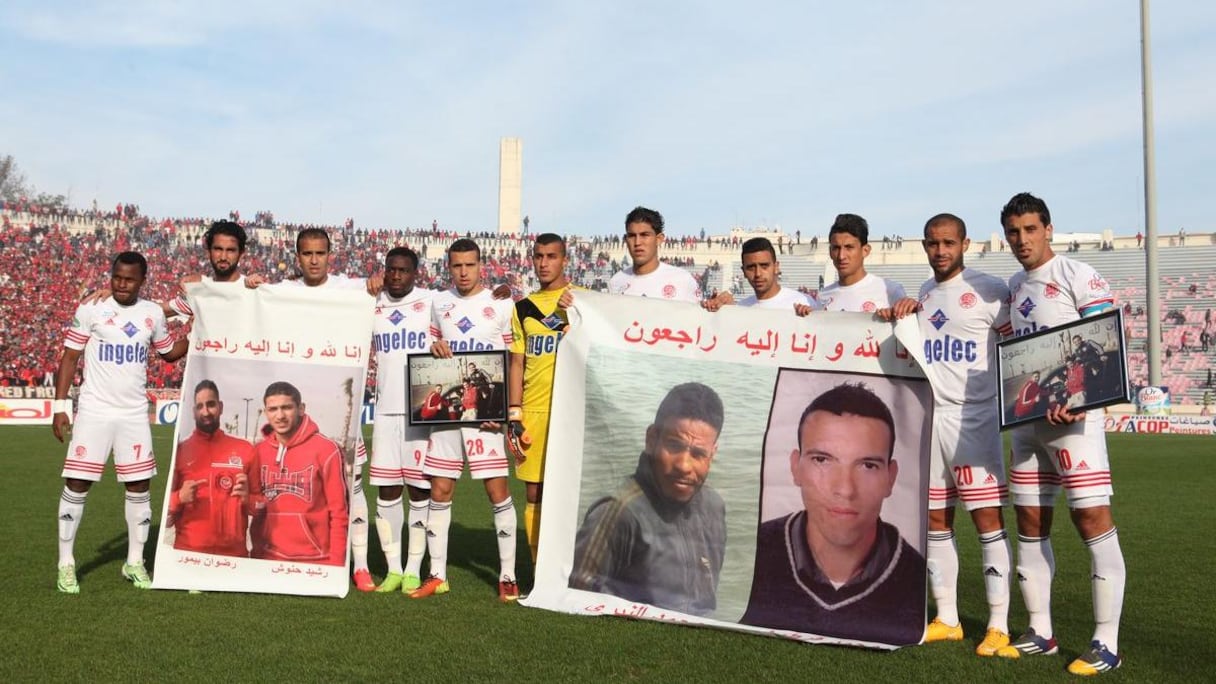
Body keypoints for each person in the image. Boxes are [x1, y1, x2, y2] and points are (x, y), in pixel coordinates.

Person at [997, 192, 1125, 675]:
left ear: (1048, 229)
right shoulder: (1013, 285)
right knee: (1030, 521)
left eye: (1030, 229)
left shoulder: (1077, 274)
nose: (1022, 240)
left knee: (1091, 519)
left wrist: (1080, 400)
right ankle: (1040, 631)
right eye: (1013, 232)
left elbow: (1103, 340)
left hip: (1074, 422)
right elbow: (1011, 355)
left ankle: (1106, 642)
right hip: (1027, 423)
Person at [880, 213, 1015, 655]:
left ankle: (998, 625)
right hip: (930, 418)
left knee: (987, 521)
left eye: (949, 243)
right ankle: (949, 618)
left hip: (974, 418)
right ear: (924, 246)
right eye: (934, 244)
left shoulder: (992, 291)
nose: (941, 251)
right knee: (937, 520)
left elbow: (1018, 348)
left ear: (965, 244)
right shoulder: (923, 293)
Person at [740, 382, 924, 644]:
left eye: (868, 465)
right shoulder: (751, 551)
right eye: (822, 460)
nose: (845, 489)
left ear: (890, 478)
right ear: (796, 467)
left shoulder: (914, 574)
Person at [51, 251, 189, 593]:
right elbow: (70, 357)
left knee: (139, 487)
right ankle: (66, 563)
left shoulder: (152, 313)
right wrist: (60, 406)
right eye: (116, 277)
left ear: (143, 281)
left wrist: (196, 334)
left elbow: (169, 352)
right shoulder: (91, 308)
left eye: (129, 279)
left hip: (133, 414)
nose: (121, 284)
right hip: (95, 412)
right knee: (78, 483)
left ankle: (135, 562)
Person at [410, 238, 520, 602]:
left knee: (497, 492)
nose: (463, 272)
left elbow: (510, 359)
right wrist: (435, 348)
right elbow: (431, 346)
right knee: (440, 491)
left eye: (469, 265)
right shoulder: (439, 303)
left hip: (486, 415)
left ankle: (507, 576)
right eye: (456, 265)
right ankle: (437, 574)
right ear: (449, 266)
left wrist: (504, 411)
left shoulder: (501, 303)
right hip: (448, 415)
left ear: (480, 265)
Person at [275, 228, 377, 589]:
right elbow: (244, 295)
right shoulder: (283, 291)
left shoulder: (351, 289)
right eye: (307, 254)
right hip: (299, 401)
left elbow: (384, 290)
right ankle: (301, 552)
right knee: (302, 486)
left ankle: (360, 565)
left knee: (354, 482)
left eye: (320, 253)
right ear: (297, 256)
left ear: (330, 254)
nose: (314, 260)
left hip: (337, 394)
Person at [570, 382, 726, 616]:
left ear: (712, 455)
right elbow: (574, 600)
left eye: (698, 454)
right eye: (674, 446)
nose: (684, 465)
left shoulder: (713, 506)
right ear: (652, 439)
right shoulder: (619, 512)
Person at [367, 247, 435, 593]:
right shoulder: (371, 301)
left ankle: (413, 567)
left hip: (421, 412)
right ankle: (392, 568)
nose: (396, 276)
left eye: (404, 271)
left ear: (415, 274)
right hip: (384, 412)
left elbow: (468, 307)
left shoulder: (431, 301)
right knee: (387, 491)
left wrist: (498, 293)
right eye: (391, 270)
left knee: (420, 491)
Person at [507, 233, 576, 565]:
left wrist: (574, 315)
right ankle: (539, 570)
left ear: (565, 260)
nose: (544, 263)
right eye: (539, 256)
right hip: (534, 412)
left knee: (568, 493)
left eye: (551, 256)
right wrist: (514, 414)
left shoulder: (583, 301)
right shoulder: (522, 308)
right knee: (534, 492)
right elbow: (518, 361)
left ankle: (569, 566)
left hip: (572, 413)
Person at [246, 381, 349, 566]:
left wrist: (336, 566)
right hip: (267, 560)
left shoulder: (327, 450)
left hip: (317, 561)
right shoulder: (258, 451)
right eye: (273, 409)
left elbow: (339, 513)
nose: (280, 416)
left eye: (287, 407)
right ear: (266, 412)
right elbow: (255, 506)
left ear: (301, 408)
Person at [167, 380, 255, 557]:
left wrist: (248, 500)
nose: (205, 412)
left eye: (211, 404)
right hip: (189, 554)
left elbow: (261, 507)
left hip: (234, 557)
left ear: (220, 407)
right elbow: (164, 518)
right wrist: (178, 498)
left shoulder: (246, 450)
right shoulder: (180, 451)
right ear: (193, 412)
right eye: (200, 406)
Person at [815, 213, 906, 312]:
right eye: (836, 248)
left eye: (849, 247)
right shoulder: (823, 297)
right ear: (830, 252)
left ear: (865, 250)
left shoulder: (890, 291)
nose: (841, 256)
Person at [608, 206, 701, 302]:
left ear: (659, 239)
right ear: (626, 240)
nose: (637, 242)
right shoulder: (616, 282)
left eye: (644, 235)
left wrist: (715, 308)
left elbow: (701, 314)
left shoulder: (682, 280)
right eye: (632, 236)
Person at [702, 237, 814, 314]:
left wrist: (810, 318)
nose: (758, 274)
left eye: (764, 266)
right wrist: (719, 312)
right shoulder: (741, 308)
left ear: (776, 267)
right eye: (751, 267)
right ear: (744, 271)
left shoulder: (803, 303)